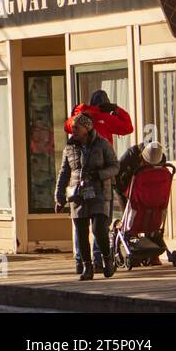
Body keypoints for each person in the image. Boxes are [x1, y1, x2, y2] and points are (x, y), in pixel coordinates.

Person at [56, 112, 119, 281]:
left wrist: (100, 174)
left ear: (87, 128)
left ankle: (107, 259)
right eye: (72, 128)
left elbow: (115, 166)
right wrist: (59, 196)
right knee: (81, 232)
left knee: (99, 229)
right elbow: (64, 173)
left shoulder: (102, 144)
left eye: (76, 127)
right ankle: (87, 267)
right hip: (77, 195)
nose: (73, 130)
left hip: (99, 192)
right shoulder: (69, 147)